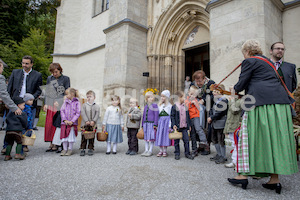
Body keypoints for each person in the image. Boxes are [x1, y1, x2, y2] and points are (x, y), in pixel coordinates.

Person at [227, 39, 298, 193]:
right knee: (273, 140)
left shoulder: (250, 61)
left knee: (249, 137)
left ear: (246, 52)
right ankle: (274, 179)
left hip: (261, 104)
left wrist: (233, 89)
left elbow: (241, 85)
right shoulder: (269, 62)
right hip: (280, 105)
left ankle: (243, 176)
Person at [7, 55, 42, 128]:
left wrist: (32, 98)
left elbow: (39, 89)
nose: (24, 65)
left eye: (27, 63)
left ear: (31, 64)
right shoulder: (15, 72)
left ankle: (25, 139)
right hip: (15, 103)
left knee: (28, 126)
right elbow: (9, 88)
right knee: (12, 125)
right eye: (23, 63)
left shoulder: (37, 75)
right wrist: (8, 101)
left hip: (29, 104)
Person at [44, 63, 70, 152]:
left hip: (60, 104)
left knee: (57, 123)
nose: (54, 74)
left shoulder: (66, 79)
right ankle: (51, 142)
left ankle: (57, 143)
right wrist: (46, 103)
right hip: (51, 103)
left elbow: (67, 92)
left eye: (56, 72)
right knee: (50, 124)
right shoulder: (49, 78)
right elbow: (47, 93)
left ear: (60, 70)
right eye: (52, 72)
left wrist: (59, 101)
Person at [190, 70, 215, 154]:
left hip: (208, 108)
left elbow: (213, 95)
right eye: (197, 81)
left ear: (204, 79)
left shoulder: (211, 83)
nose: (198, 83)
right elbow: (190, 93)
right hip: (197, 109)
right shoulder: (193, 84)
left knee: (207, 127)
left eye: (200, 81)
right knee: (198, 127)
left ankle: (207, 146)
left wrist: (204, 100)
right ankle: (201, 145)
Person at [185, 85, 209, 157]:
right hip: (190, 117)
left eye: (194, 95)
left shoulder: (195, 100)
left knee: (198, 129)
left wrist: (196, 103)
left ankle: (203, 141)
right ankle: (194, 149)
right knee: (192, 133)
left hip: (196, 117)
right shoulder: (186, 99)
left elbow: (200, 109)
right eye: (191, 94)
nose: (192, 96)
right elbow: (186, 108)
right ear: (188, 92)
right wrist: (189, 102)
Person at [207, 85, 228, 164]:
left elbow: (220, 112)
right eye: (213, 91)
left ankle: (223, 156)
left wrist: (211, 117)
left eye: (216, 92)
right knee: (214, 139)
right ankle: (219, 154)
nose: (214, 93)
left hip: (220, 123)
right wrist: (211, 116)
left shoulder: (224, 101)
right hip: (214, 123)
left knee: (221, 140)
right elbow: (212, 110)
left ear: (221, 92)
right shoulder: (216, 100)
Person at [171, 91, 193, 160]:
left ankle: (187, 153)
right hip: (177, 127)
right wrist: (173, 124)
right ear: (179, 98)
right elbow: (172, 116)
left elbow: (188, 116)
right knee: (176, 141)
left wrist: (189, 125)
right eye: (183, 97)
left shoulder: (185, 106)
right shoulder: (174, 107)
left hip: (184, 127)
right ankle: (177, 153)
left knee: (186, 140)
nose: (185, 98)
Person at [223, 86, 242, 168]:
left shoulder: (240, 100)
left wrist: (232, 100)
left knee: (236, 144)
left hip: (236, 125)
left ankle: (235, 161)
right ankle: (235, 160)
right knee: (234, 144)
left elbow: (234, 110)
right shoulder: (233, 100)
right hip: (231, 124)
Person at [60, 88, 81, 156]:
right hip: (65, 123)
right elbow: (62, 110)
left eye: (67, 94)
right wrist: (64, 120)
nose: (66, 96)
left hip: (72, 123)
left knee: (70, 137)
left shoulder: (77, 102)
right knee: (64, 137)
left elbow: (78, 113)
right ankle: (64, 149)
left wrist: (72, 121)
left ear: (72, 94)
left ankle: (70, 149)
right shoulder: (65, 102)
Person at [80, 90, 100, 156]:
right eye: (87, 97)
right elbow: (83, 113)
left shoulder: (96, 106)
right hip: (85, 124)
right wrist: (86, 121)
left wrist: (93, 121)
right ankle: (82, 148)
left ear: (94, 97)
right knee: (84, 137)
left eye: (90, 96)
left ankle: (90, 148)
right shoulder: (84, 105)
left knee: (91, 137)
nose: (89, 98)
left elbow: (97, 114)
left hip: (92, 125)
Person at [141, 91, 159, 157]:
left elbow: (156, 115)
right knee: (146, 137)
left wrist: (155, 124)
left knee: (151, 137)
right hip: (146, 124)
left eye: (151, 97)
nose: (150, 98)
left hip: (151, 124)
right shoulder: (146, 106)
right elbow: (143, 115)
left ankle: (150, 150)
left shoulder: (154, 105)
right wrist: (142, 124)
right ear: (146, 99)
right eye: (149, 97)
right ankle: (146, 150)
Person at [155, 90, 172, 157]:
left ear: (167, 97)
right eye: (161, 96)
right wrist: (157, 123)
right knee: (160, 135)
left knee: (165, 136)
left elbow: (170, 116)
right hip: (161, 122)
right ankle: (160, 150)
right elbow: (158, 115)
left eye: (164, 96)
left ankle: (165, 150)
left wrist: (170, 125)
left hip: (166, 122)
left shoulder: (169, 106)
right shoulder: (159, 105)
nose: (162, 98)